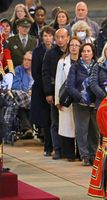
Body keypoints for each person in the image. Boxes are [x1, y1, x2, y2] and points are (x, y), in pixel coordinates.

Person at [66, 43, 99, 166]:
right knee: (82, 131)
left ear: (93, 53)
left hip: (94, 104)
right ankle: (84, 156)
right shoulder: (75, 67)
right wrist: (81, 97)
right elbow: (70, 86)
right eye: (84, 51)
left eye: (88, 51)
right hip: (80, 104)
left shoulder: (97, 66)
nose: (86, 53)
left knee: (94, 132)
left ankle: (94, 155)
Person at [42, 28, 69, 160]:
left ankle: (69, 149)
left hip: (70, 92)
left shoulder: (71, 51)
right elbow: (45, 74)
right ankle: (57, 148)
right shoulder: (50, 53)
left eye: (62, 37)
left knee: (69, 122)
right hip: (54, 91)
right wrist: (48, 93)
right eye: (57, 37)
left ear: (67, 38)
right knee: (55, 122)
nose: (60, 40)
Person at [54, 37, 81, 161]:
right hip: (66, 98)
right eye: (72, 45)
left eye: (76, 45)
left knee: (80, 126)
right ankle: (69, 153)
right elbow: (58, 81)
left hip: (80, 98)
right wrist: (57, 100)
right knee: (68, 127)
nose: (74, 47)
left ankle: (81, 153)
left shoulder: (83, 61)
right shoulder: (62, 62)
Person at [31, 25, 55, 156]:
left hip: (54, 88)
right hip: (42, 90)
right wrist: (46, 88)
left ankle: (57, 146)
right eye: (45, 35)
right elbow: (35, 73)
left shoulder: (57, 50)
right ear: (42, 37)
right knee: (46, 120)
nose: (48, 38)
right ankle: (48, 147)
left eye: (50, 35)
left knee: (55, 120)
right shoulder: (37, 51)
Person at [12, 51, 34, 139]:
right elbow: (15, 85)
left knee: (40, 104)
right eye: (24, 59)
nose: (26, 62)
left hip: (34, 98)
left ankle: (42, 132)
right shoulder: (18, 69)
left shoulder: (37, 71)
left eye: (29, 60)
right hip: (22, 98)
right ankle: (27, 129)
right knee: (20, 103)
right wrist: (28, 91)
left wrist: (33, 92)